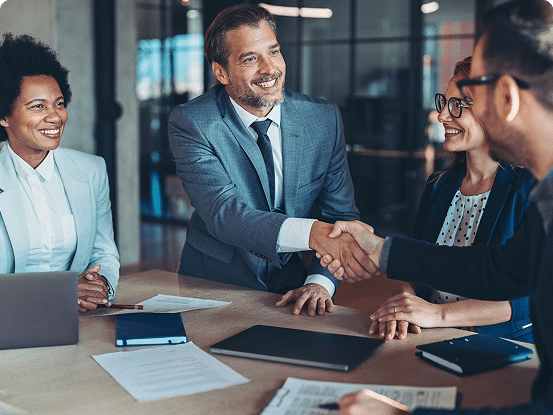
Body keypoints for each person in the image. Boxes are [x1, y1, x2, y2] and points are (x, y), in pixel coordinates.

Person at [317, 1, 553, 413]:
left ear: (505, 97)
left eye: (468, 97)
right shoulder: (542, 196)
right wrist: (379, 249)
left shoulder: (530, 190)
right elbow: (499, 270)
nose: (444, 114)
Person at [168, 4, 373, 316]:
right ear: (221, 72)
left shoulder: (323, 119)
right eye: (250, 58)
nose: (269, 69)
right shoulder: (192, 122)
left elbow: (339, 213)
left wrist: (319, 282)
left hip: (288, 283)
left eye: (274, 52)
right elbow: (224, 214)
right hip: (212, 281)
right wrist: (313, 233)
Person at [370, 57, 535, 343]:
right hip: (427, 336)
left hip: (501, 346)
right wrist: (405, 305)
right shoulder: (440, 184)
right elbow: (417, 262)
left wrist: (437, 314)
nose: (443, 116)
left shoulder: (530, 188)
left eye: (458, 106)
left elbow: (527, 298)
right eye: (443, 103)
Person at [0, 33, 120, 314]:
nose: (55, 117)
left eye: (59, 103)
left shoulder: (91, 171)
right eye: (38, 106)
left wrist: (100, 285)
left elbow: (104, 252)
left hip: (75, 320)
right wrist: (60, 291)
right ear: (4, 116)